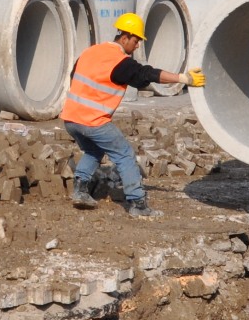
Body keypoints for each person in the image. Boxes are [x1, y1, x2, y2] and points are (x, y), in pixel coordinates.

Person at [62, 12, 204, 219]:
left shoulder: (91, 51)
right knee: (125, 155)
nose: (137, 45)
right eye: (136, 40)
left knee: (93, 150)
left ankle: (81, 191)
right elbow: (148, 74)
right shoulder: (120, 62)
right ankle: (137, 203)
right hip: (93, 120)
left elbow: (76, 75)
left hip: (71, 118)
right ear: (124, 37)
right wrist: (184, 78)